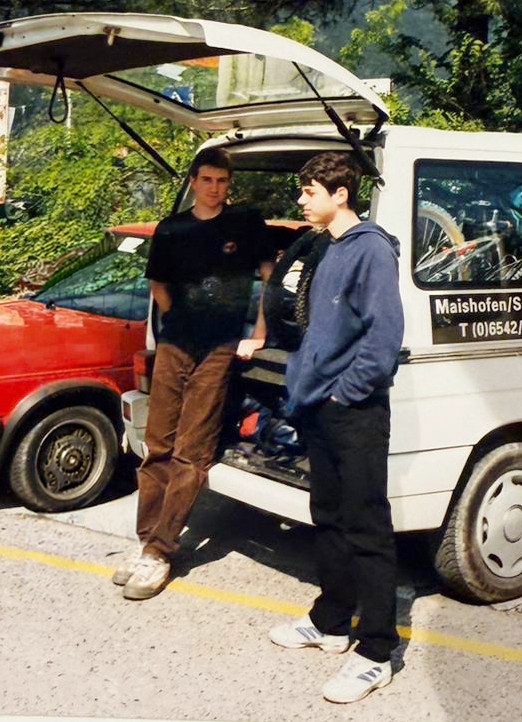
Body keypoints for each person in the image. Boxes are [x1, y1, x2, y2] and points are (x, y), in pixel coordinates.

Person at [268, 152, 404, 704]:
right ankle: (330, 622)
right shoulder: (326, 245)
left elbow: (383, 335)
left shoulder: (370, 248)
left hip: (355, 411)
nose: (301, 200)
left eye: (310, 191)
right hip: (320, 407)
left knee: (366, 526)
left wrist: (344, 392)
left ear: (340, 193)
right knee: (327, 516)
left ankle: (377, 651)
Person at [112, 146, 277, 600]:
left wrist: (259, 332)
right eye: (207, 180)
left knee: (192, 451)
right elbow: (158, 284)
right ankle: (146, 541)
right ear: (193, 182)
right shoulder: (173, 228)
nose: (215, 189)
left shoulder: (245, 222)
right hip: (174, 345)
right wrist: (181, 322)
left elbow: (269, 275)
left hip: (220, 348)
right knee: (157, 445)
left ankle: (161, 551)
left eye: (222, 181)